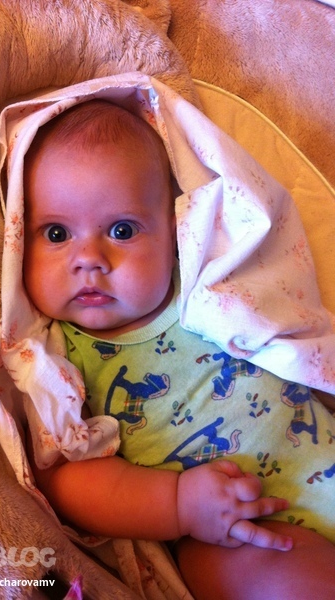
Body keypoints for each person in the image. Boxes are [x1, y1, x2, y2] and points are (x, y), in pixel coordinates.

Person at [22, 99, 335, 598]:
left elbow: (291, 330)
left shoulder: (206, 285)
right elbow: (67, 482)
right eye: (56, 233)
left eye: (122, 230)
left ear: (174, 230)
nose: (89, 259)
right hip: (235, 531)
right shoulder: (56, 358)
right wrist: (179, 504)